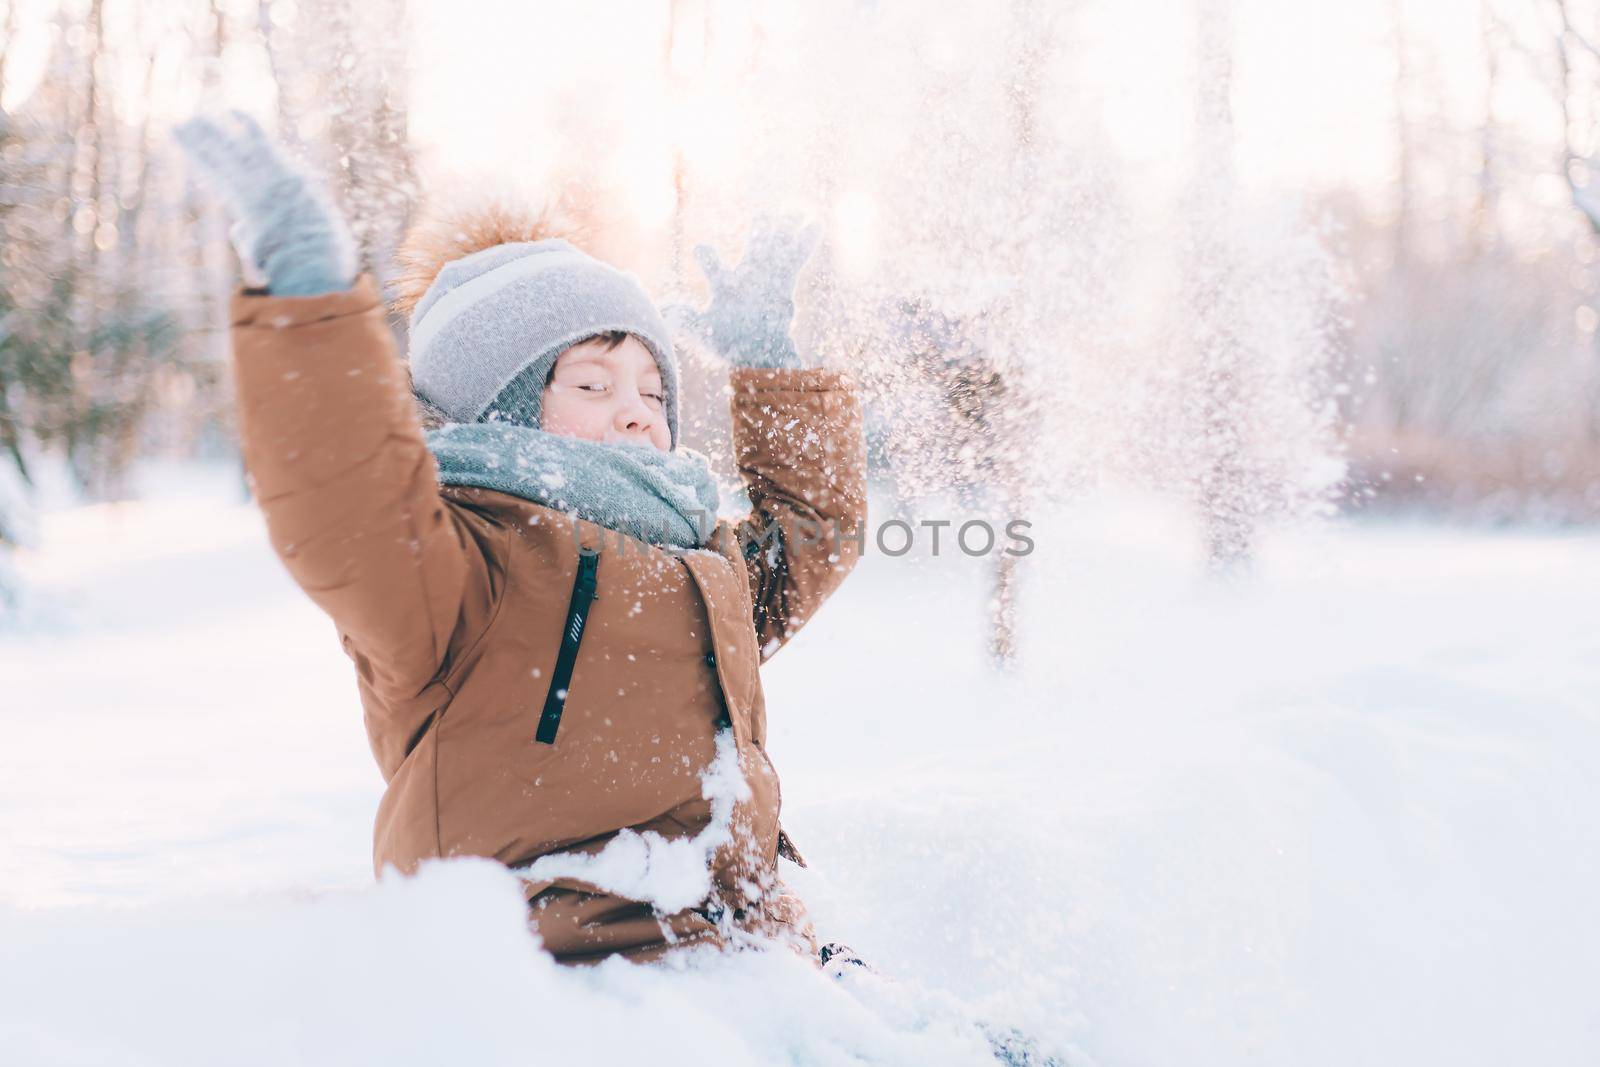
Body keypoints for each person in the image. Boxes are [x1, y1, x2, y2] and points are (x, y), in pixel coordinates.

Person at [174, 111, 867, 966]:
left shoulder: (707, 567)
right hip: (554, 973)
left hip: (749, 950)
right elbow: (345, 501)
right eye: (592, 380)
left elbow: (816, 530)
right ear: (500, 408)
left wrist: (772, 368)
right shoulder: (461, 567)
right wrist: (313, 299)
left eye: (655, 392)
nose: (635, 409)